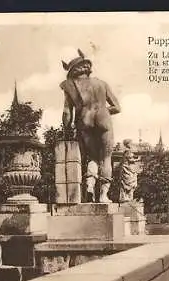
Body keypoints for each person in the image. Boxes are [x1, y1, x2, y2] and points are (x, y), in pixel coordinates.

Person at [60, 49, 121, 203]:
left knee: (92, 158)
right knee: (106, 158)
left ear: (72, 71)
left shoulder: (70, 85)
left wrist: (67, 131)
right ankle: (103, 195)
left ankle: (90, 186)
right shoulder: (102, 83)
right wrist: (103, 112)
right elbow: (117, 107)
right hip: (103, 119)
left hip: (84, 120)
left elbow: (67, 112)